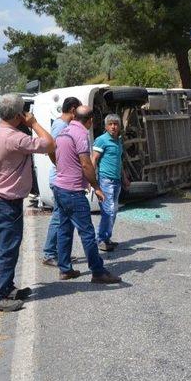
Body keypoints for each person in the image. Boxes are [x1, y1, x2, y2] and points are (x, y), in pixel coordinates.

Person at [0, 93, 55, 312]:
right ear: (19, 115)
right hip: (6, 201)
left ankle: (6, 287)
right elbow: (50, 144)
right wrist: (34, 123)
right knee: (8, 249)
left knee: (3, 246)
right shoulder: (16, 139)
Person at [52, 105, 122, 283]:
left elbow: (52, 152)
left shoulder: (63, 131)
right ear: (90, 120)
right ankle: (98, 271)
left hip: (59, 188)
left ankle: (65, 269)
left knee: (64, 229)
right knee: (88, 233)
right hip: (73, 191)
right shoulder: (81, 134)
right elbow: (86, 163)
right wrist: (95, 185)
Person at [41, 96, 82, 266]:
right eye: (78, 111)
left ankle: (59, 253)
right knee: (59, 217)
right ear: (73, 110)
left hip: (61, 178)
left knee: (63, 217)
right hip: (60, 179)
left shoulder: (62, 124)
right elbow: (52, 148)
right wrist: (61, 166)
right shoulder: (61, 126)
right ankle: (50, 253)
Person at [91, 114, 130, 252]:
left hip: (117, 181)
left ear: (119, 126)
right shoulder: (101, 140)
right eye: (110, 124)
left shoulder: (118, 141)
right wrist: (91, 181)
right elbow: (93, 160)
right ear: (106, 126)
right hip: (105, 181)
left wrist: (124, 178)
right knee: (108, 211)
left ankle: (106, 238)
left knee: (113, 210)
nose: (113, 127)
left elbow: (119, 162)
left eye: (116, 124)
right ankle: (101, 239)